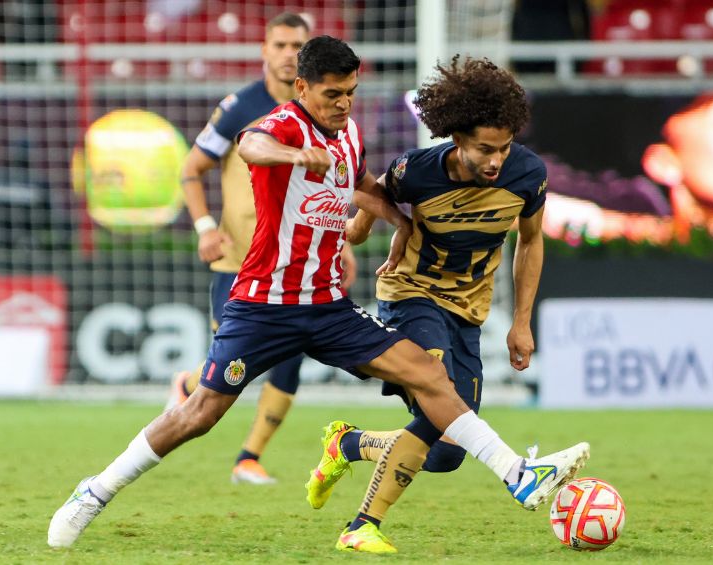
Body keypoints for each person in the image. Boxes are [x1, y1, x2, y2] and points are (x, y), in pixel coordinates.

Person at [47, 36, 589, 549]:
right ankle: (94, 490)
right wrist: (293, 158)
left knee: (428, 375)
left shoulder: (348, 134)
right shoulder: (282, 126)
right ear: (303, 88)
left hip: (328, 306)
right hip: (264, 305)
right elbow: (252, 146)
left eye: (350, 92)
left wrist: (397, 218)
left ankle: (517, 474)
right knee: (200, 414)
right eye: (332, 94)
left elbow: (361, 186)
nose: (343, 104)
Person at [305, 56, 579, 554]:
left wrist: (521, 322)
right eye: (484, 149)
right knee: (439, 402)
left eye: (503, 148)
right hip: (412, 297)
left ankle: (348, 444)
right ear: (456, 138)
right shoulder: (418, 171)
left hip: (468, 312)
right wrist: (367, 232)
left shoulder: (527, 175)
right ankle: (362, 525)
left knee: (449, 448)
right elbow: (372, 194)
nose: (496, 160)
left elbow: (531, 242)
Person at [170, 12, 356, 485]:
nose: (289, 52)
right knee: (230, 367)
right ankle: (187, 386)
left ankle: (248, 457)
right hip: (241, 262)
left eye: (298, 44)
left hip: (300, 265)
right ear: (263, 51)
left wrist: (342, 247)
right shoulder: (240, 107)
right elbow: (191, 170)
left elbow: (341, 185)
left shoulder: (329, 114)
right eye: (279, 44)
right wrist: (205, 227)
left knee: (289, 356)